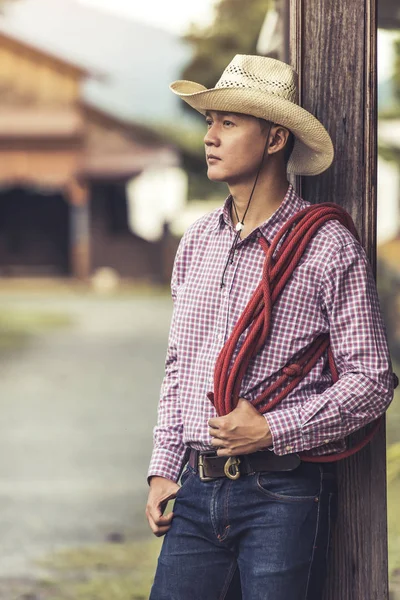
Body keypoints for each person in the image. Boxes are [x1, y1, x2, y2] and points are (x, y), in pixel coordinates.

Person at [145, 55, 394, 600]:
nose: (210, 136)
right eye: (209, 121)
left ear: (276, 138)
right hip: (195, 484)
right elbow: (179, 367)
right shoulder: (197, 243)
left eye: (228, 122)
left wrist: (275, 430)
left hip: (280, 489)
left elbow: (373, 379)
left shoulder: (327, 246)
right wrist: (164, 467)